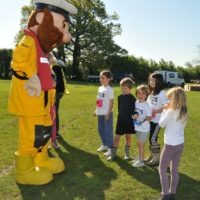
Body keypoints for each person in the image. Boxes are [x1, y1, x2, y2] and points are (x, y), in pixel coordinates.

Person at [8, 0, 77, 185]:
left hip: (44, 102)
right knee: (29, 135)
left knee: (43, 132)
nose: (66, 35)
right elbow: (18, 62)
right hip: (31, 101)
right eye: (63, 26)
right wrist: (31, 77)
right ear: (41, 17)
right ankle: (25, 170)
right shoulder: (29, 40)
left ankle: (41, 159)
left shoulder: (43, 49)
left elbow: (44, 68)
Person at [158, 87, 188, 200]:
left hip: (170, 145)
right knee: (174, 169)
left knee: (161, 169)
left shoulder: (170, 111)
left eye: (169, 98)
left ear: (175, 99)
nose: (168, 101)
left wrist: (165, 110)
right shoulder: (184, 111)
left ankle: (165, 194)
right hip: (180, 144)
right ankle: (172, 193)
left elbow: (161, 124)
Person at [107, 77, 135, 161]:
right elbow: (119, 108)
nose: (123, 90)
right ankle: (113, 154)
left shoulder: (133, 99)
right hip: (120, 121)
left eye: (125, 88)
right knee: (117, 137)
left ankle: (127, 154)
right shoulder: (119, 97)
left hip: (129, 121)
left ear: (130, 89)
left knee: (128, 137)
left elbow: (134, 110)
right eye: (122, 88)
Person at [145, 72, 168, 166]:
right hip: (151, 120)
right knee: (151, 138)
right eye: (150, 80)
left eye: (154, 80)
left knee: (153, 138)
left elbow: (166, 107)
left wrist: (156, 111)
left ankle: (156, 158)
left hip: (158, 121)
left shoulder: (162, 93)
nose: (151, 82)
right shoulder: (151, 92)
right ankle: (152, 155)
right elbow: (148, 105)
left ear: (159, 81)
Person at [94, 70, 114, 158]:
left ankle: (110, 148)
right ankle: (104, 145)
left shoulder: (110, 89)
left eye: (103, 78)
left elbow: (111, 102)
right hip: (100, 113)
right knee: (101, 130)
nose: (101, 79)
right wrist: (96, 110)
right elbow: (99, 100)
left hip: (107, 113)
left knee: (108, 131)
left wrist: (108, 113)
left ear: (109, 79)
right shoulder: (100, 88)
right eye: (100, 78)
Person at [132, 85, 152, 167]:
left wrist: (141, 120)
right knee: (138, 143)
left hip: (144, 128)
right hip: (137, 127)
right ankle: (139, 157)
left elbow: (149, 117)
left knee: (140, 144)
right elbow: (134, 113)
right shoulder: (135, 103)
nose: (140, 95)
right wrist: (134, 116)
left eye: (143, 94)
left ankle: (141, 161)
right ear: (136, 94)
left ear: (146, 95)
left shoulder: (147, 106)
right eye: (139, 93)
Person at [51, 58, 69, 139]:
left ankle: (55, 131)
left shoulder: (55, 67)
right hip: (60, 91)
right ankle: (55, 131)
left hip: (57, 92)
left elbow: (55, 80)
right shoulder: (59, 67)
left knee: (53, 111)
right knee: (54, 111)